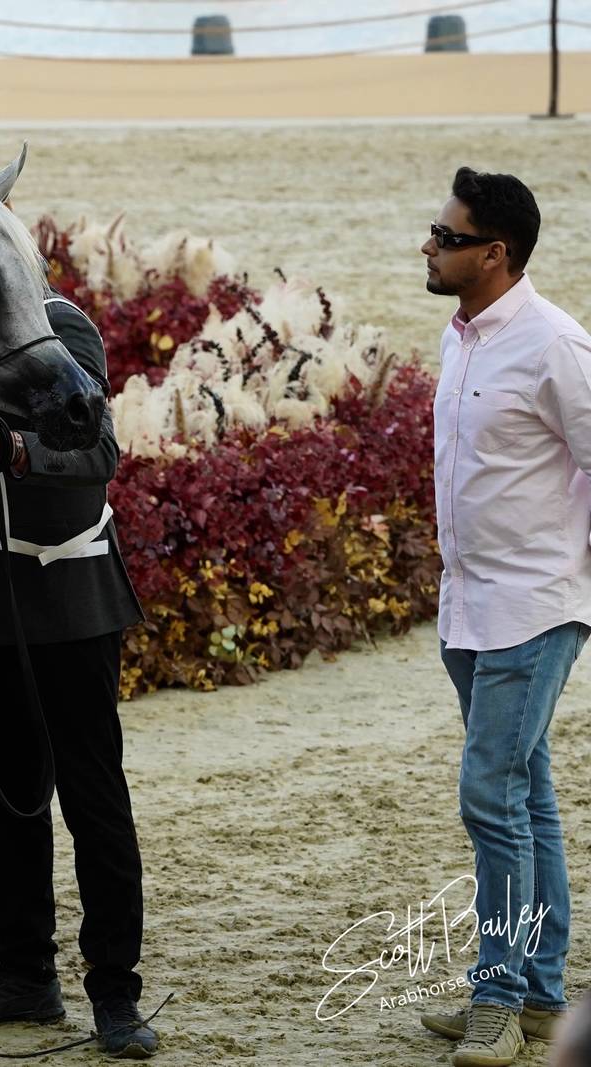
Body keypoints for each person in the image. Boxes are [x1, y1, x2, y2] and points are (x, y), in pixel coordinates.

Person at [0, 285, 157, 1059]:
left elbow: (97, 454)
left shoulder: (58, 325)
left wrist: (11, 449)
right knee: (7, 796)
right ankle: (25, 972)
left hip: (71, 597)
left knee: (93, 797)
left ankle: (115, 988)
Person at [413, 168, 591, 1067]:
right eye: (433, 233)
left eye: (445, 237)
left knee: (490, 794)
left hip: (533, 606)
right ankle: (542, 994)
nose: (429, 247)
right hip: (468, 606)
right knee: (526, 793)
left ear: (496, 252)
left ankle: (497, 995)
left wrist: (574, 585)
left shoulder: (556, 343)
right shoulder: (464, 338)